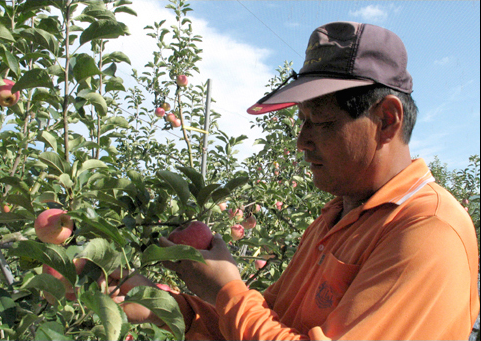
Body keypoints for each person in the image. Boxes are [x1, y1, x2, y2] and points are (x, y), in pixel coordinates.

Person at [112, 21, 480, 340]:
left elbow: (242, 313)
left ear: (386, 120)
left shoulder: (427, 230)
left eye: (321, 121)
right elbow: (266, 323)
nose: (302, 140)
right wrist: (149, 300)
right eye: (301, 120)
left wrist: (227, 290)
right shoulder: (335, 217)